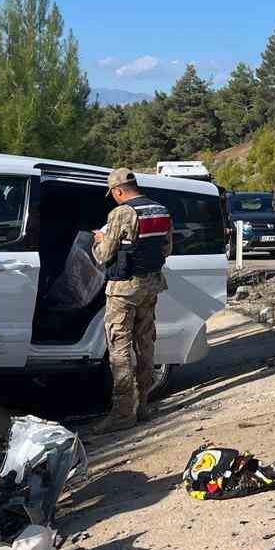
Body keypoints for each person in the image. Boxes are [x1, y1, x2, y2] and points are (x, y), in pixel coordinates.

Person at [89, 168, 173, 434]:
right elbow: (166, 248)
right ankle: (143, 406)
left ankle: (122, 414)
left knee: (120, 348)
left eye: (112, 194)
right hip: (151, 285)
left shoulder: (122, 213)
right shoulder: (161, 209)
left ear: (118, 191)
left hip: (124, 289)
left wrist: (100, 240)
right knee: (145, 343)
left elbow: (103, 255)